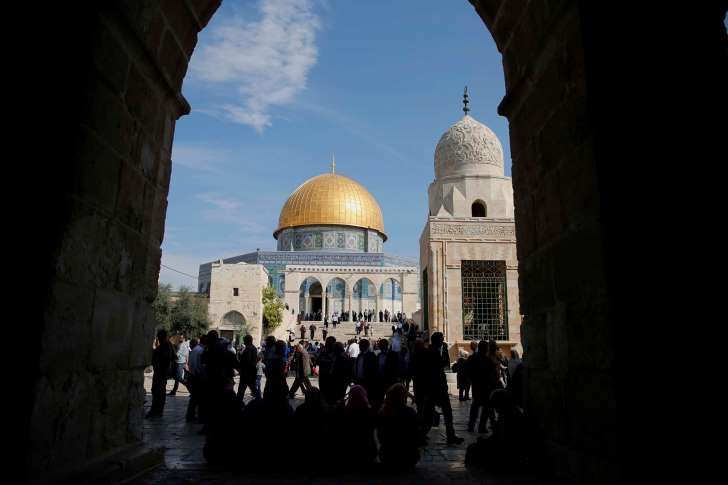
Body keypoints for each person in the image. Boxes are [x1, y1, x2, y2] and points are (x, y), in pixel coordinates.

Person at [418, 332, 464, 444]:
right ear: (437, 341)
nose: (443, 342)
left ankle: (421, 435)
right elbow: (444, 364)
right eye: (442, 340)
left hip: (433, 388)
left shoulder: (429, 351)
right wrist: (445, 351)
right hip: (437, 387)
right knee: (444, 413)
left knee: (429, 414)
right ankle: (449, 435)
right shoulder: (433, 352)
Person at [377, 383, 420, 470]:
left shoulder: (383, 412)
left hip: (387, 457)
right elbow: (416, 436)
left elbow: (380, 437)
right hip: (409, 459)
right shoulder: (410, 413)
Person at [467, 340, 497, 433]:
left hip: (476, 385)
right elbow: (493, 374)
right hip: (486, 386)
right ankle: (481, 427)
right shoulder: (488, 360)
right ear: (485, 349)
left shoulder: (472, 358)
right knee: (486, 407)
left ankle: (471, 426)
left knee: (475, 405)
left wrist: (471, 380)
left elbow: (466, 370)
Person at [146, 329, 176, 418]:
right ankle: (158, 410)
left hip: (161, 372)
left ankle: (156, 410)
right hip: (162, 372)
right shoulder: (168, 345)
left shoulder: (165, 346)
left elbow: (162, 357)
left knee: (157, 391)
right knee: (159, 391)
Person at [186, 336, 204, 421]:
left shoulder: (195, 349)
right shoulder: (200, 351)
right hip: (197, 377)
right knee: (196, 398)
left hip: (193, 376)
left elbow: (190, 363)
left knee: (194, 398)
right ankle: (193, 416)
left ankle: (191, 415)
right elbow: (199, 366)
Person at [236, 334, 259, 402]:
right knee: (253, 389)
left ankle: (238, 403)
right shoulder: (254, 348)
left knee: (241, 390)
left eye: (244, 340)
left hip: (246, 373)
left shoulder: (248, 349)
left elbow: (246, 361)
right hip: (251, 372)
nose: (244, 342)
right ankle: (260, 401)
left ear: (247, 340)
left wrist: (240, 357)